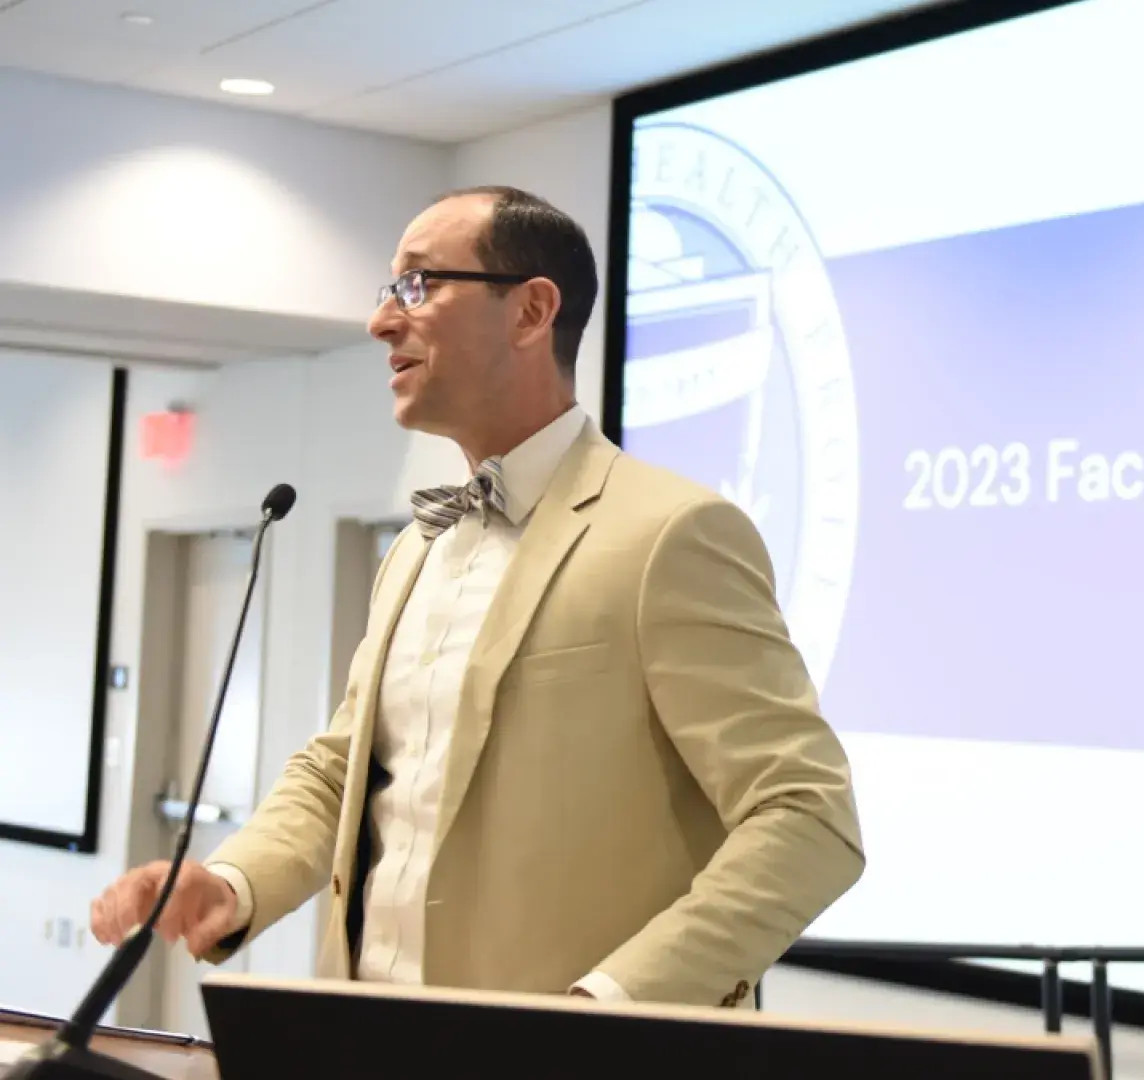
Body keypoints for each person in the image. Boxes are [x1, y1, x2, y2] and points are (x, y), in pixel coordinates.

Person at [89, 185, 865, 1007]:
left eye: (418, 284)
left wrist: (611, 1005)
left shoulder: (672, 533)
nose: (382, 321)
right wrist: (234, 883)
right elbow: (345, 770)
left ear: (532, 312)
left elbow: (809, 818)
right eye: (388, 290)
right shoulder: (418, 548)